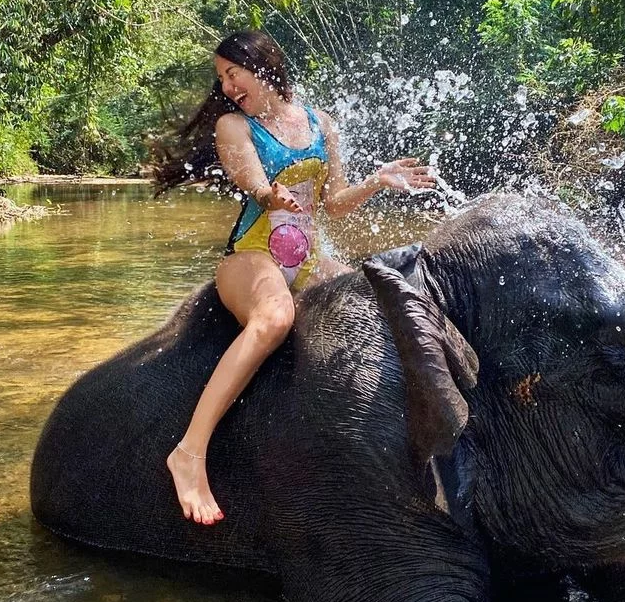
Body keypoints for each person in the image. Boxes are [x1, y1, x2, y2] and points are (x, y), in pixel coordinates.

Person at [154, 29, 436, 525]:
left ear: (261, 64)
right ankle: (190, 452)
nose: (227, 86)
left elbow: (333, 205)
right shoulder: (233, 126)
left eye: (232, 73)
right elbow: (253, 184)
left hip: (307, 258)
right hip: (251, 254)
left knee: (377, 299)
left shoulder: (320, 122)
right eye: (221, 78)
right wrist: (270, 194)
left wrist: (379, 180)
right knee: (274, 317)